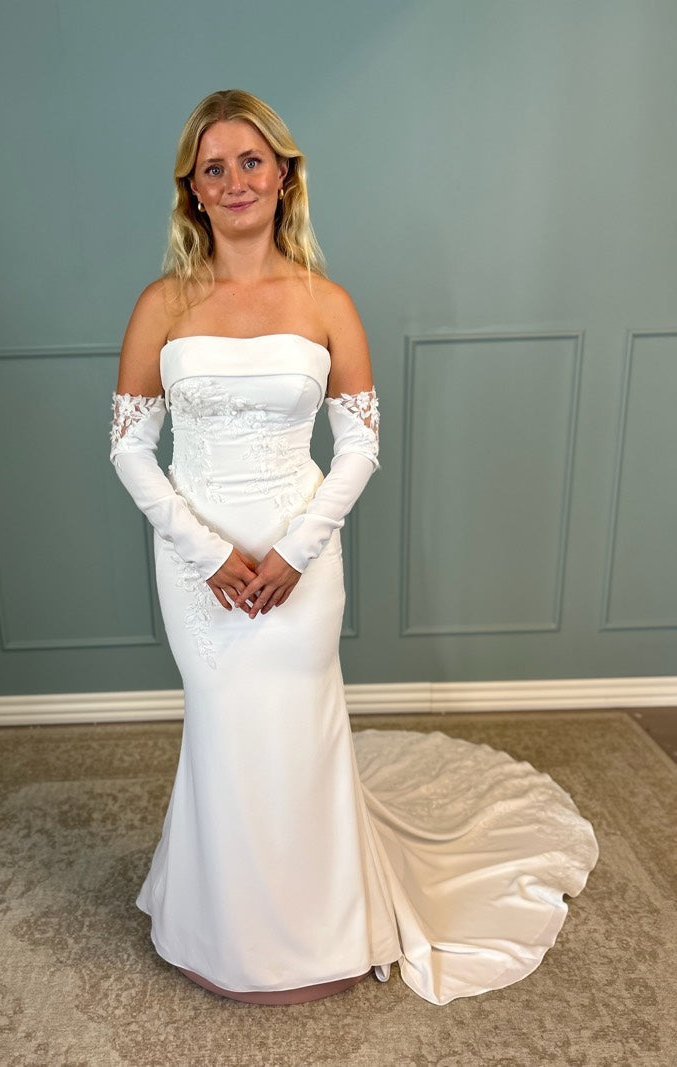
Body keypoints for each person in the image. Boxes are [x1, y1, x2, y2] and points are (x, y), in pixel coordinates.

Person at [110, 89, 599, 1006]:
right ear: (193, 192)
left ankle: (319, 931)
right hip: (195, 565)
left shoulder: (326, 302)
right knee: (224, 731)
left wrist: (297, 549)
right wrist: (203, 551)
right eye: (213, 167)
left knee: (296, 733)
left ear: (283, 176)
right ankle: (222, 931)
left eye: (251, 161)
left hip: (301, 555)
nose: (235, 180)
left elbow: (360, 442)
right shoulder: (161, 304)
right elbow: (130, 448)